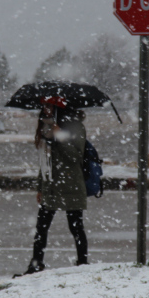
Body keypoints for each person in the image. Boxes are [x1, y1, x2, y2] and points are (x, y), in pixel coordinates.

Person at [22, 98, 88, 275]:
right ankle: (36, 264)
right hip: (50, 185)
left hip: (70, 184)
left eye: (50, 106)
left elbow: (76, 157)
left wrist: (60, 137)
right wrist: (40, 187)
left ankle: (83, 263)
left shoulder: (75, 127)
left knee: (75, 227)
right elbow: (45, 160)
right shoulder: (46, 127)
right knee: (41, 227)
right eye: (43, 105)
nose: (46, 109)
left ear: (60, 108)